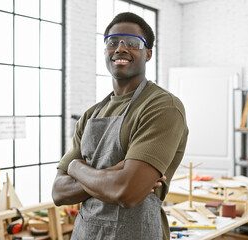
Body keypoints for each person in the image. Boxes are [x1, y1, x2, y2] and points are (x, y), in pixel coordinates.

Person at [52, 12, 188, 240]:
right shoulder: (90, 115)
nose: (120, 48)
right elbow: (59, 192)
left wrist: (76, 169)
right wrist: (110, 176)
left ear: (148, 54)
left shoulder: (162, 107)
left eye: (133, 43)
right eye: (112, 42)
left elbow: (126, 192)